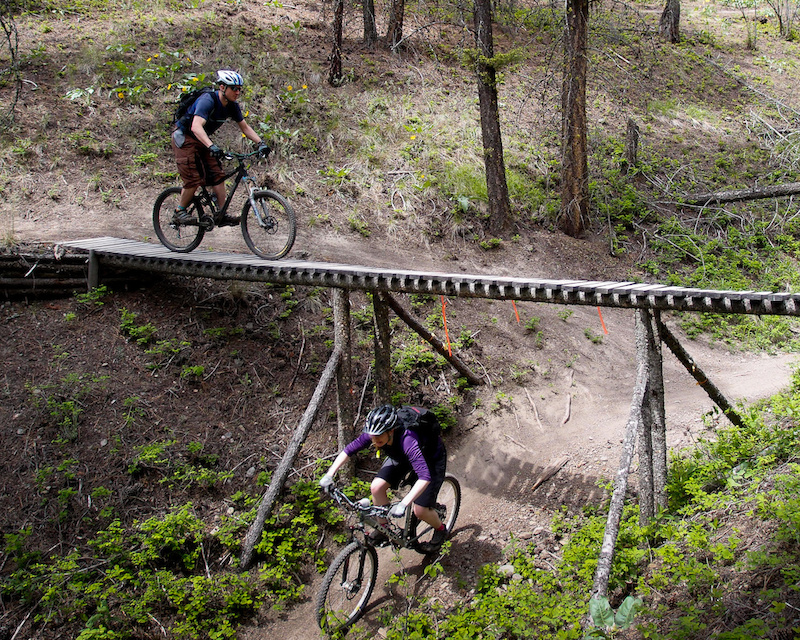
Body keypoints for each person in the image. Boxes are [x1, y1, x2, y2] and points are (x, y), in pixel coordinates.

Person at [320, 404, 449, 551]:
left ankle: (441, 529)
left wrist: (403, 503)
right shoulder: (375, 434)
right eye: (372, 436)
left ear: (391, 430)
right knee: (376, 487)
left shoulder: (408, 439)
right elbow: (349, 450)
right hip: (401, 456)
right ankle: (384, 530)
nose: (374, 440)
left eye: (379, 435)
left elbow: (424, 477)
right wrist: (329, 475)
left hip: (430, 458)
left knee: (419, 510)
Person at [171, 69, 270, 226]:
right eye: (234, 88)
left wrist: (261, 143)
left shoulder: (232, 106)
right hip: (185, 138)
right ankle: (179, 212)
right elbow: (196, 127)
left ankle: (221, 213)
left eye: (239, 89)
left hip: (201, 139)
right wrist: (211, 146)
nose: (237, 92)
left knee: (218, 175)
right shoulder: (207, 101)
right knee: (193, 178)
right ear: (222, 87)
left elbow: (244, 127)